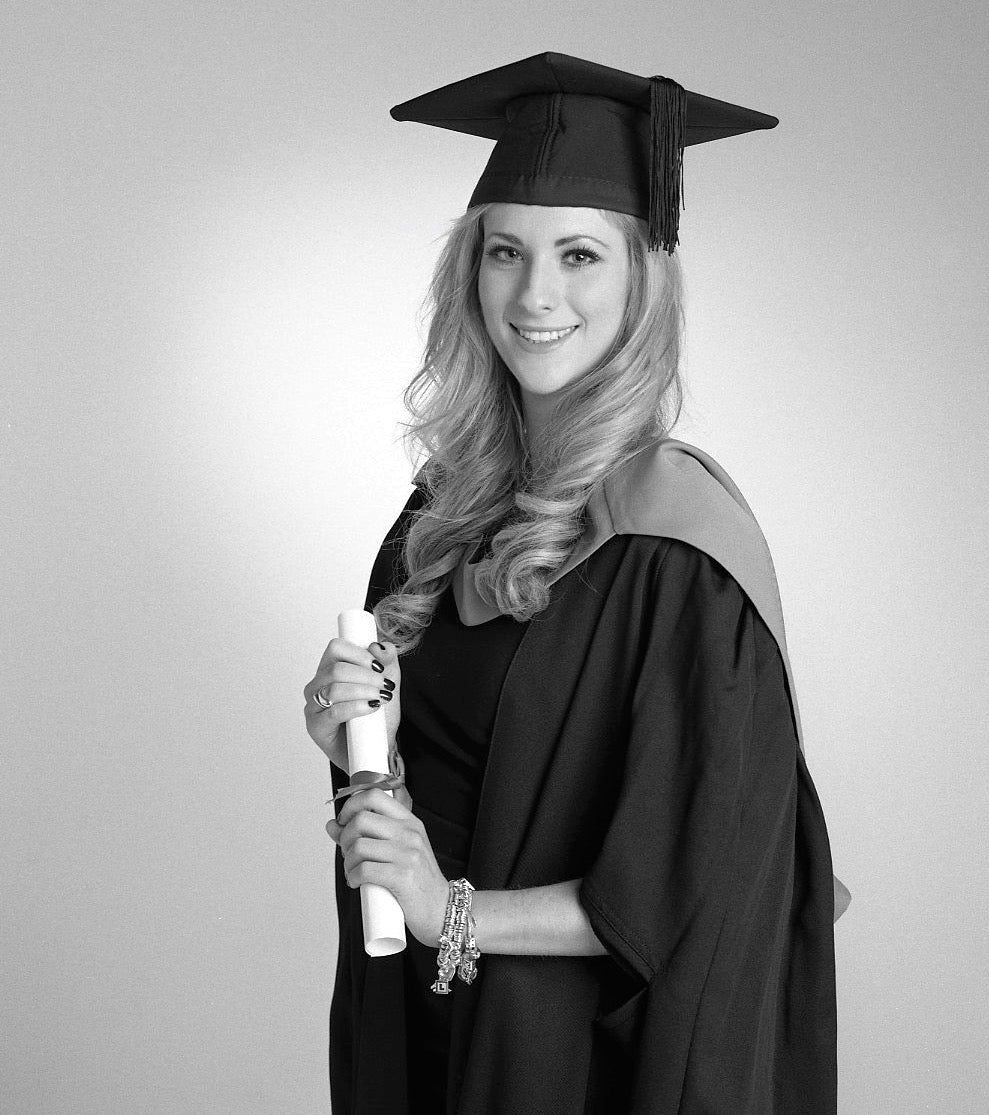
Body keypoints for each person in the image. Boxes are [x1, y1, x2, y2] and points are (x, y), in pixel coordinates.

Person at [303, 53, 846, 1115]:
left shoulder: (679, 550)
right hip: (428, 1020)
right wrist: (356, 748)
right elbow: (429, 802)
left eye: (579, 254)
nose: (535, 293)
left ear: (642, 281)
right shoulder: (439, 517)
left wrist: (444, 906)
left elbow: (683, 887)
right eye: (505, 250)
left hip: (576, 1059)